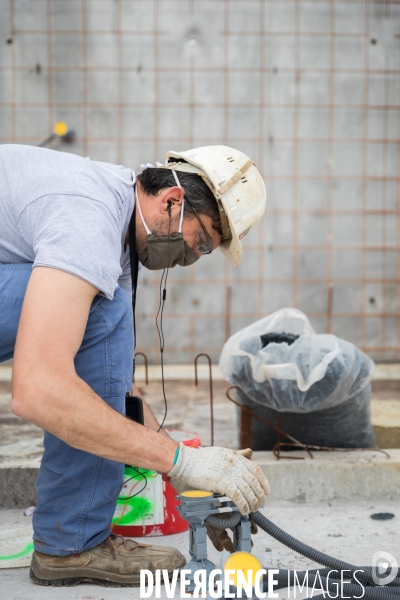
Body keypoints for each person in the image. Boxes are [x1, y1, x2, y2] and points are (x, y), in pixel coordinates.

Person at [0, 143, 269, 587]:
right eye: (200, 243)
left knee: (105, 309)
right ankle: (73, 543)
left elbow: (113, 388)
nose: (191, 260)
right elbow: (38, 388)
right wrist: (177, 459)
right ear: (172, 201)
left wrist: (189, 469)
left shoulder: (116, 229)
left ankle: (72, 537)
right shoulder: (88, 216)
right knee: (104, 310)